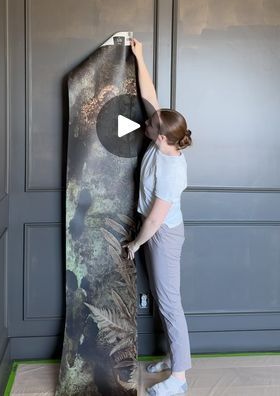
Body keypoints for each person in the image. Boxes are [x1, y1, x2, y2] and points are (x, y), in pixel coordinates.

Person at [122, 38, 192, 396]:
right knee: (166, 298)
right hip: (157, 232)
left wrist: (135, 243)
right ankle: (172, 356)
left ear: (163, 137)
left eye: (150, 126)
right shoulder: (164, 137)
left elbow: (153, 220)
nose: (145, 125)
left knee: (169, 302)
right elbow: (151, 94)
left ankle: (179, 378)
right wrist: (140, 56)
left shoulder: (171, 171)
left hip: (162, 235)